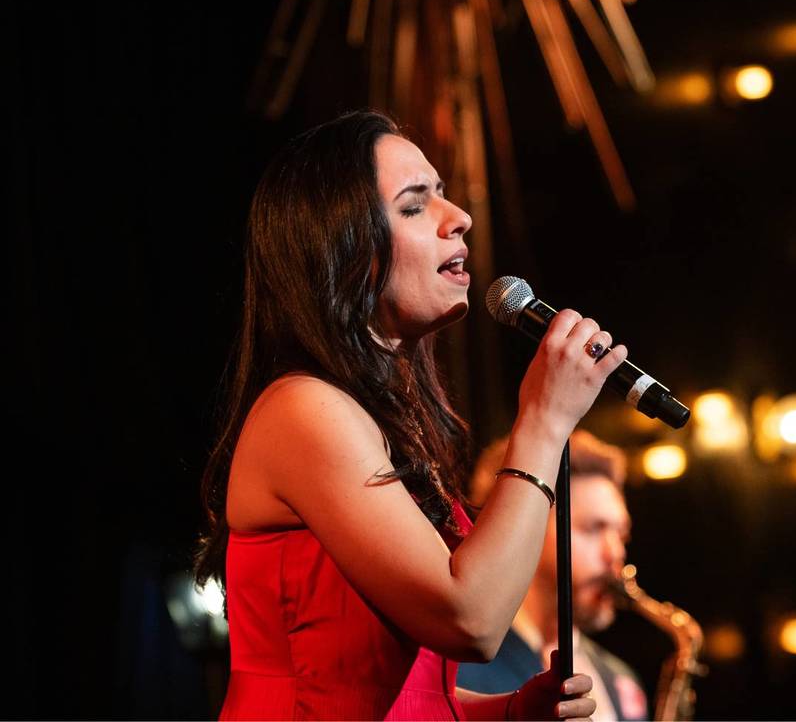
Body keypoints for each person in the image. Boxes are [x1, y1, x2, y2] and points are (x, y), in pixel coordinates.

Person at [193, 110, 629, 721]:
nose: (461, 219)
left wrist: (506, 712)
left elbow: (412, 696)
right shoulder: (304, 410)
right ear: (343, 249)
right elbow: (470, 620)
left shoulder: (387, 422)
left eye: (444, 196)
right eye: (414, 206)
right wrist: (544, 421)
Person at [457, 431, 649, 722]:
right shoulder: (456, 671)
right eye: (594, 529)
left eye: (621, 534)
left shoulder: (623, 680)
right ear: (525, 528)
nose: (616, 555)